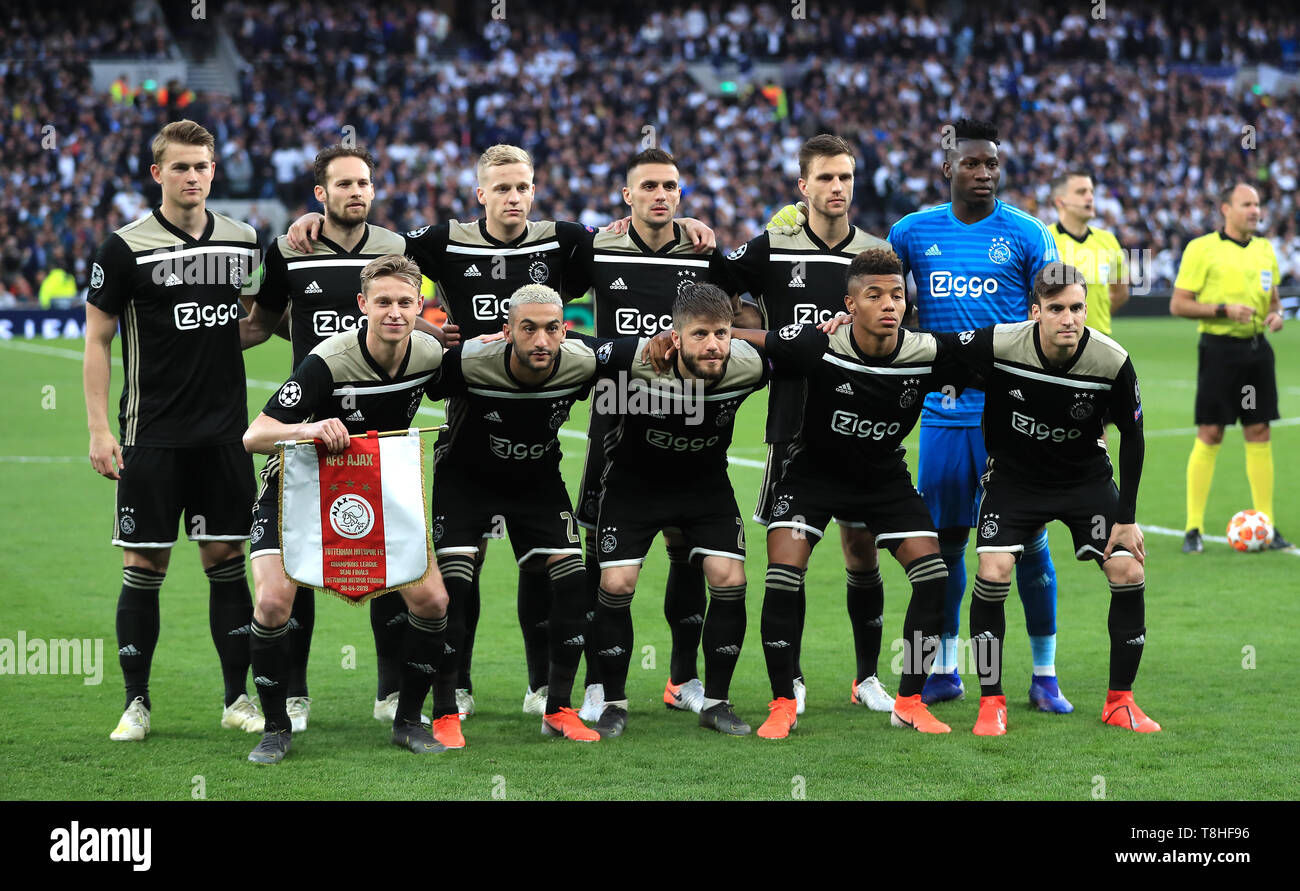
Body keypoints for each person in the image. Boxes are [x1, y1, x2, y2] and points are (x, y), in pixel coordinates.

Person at [289, 145, 714, 721]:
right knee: (462, 570)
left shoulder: (564, 240)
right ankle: (455, 686)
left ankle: (543, 685)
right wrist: (322, 223)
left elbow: (635, 241)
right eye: (502, 189)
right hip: (470, 411)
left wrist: (677, 220)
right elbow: (380, 261)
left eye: (523, 187)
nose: (514, 198)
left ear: (534, 190)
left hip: (541, 413)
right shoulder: (442, 241)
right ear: (481, 194)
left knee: (542, 565)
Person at [242, 144, 453, 733]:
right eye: (344, 184)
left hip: (377, 460)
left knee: (405, 587)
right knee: (288, 590)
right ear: (321, 193)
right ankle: (288, 704)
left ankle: (397, 700)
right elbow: (261, 323)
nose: (356, 191)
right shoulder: (290, 249)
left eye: (364, 182)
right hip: (308, 442)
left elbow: (466, 265)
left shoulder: (400, 250)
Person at [728, 248, 961, 739]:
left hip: (882, 479)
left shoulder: (926, 352)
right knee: (783, 576)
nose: (889, 304)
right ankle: (783, 701)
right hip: (812, 474)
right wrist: (697, 334)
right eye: (874, 295)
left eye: (896, 294)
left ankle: (910, 700)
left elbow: (995, 358)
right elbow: (757, 337)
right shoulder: (819, 344)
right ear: (850, 305)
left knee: (933, 575)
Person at [84, 120, 263, 741]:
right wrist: (99, 429)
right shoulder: (123, 247)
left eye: (202, 166)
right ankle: (136, 703)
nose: (193, 176)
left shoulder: (244, 240)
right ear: (158, 174)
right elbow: (98, 339)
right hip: (151, 434)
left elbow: (256, 319)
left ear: (214, 171)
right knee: (145, 565)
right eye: (180, 167)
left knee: (225, 558)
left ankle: (237, 699)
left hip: (224, 436)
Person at [886, 118, 1070, 713]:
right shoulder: (911, 233)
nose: (985, 172)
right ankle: (945, 667)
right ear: (948, 168)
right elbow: (884, 302)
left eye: (992, 163)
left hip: (1010, 418)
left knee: (1027, 544)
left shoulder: (1027, 233)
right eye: (972, 163)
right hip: (941, 417)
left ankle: (1044, 675)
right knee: (947, 545)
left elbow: (1057, 311)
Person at [938, 262, 1158, 734]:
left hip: (1084, 481)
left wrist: (1126, 517)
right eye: (1056, 308)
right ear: (1035, 311)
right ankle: (991, 702)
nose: (1069, 318)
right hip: (1014, 481)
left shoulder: (1111, 360)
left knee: (1128, 568)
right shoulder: (1000, 343)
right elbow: (935, 352)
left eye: (1077, 307)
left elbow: (1134, 437)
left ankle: (1120, 701)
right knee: (993, 569)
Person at [725, 133, 896, 715]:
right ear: (804, 187)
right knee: (788, 558)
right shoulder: (773, 246)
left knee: (861, 551)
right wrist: (755, 322)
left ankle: (867, 677)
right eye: (825, 177)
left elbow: (899, 322)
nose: (837, 187)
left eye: (845, 176)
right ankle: (790, 679)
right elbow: (714, 286)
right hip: (795, 426)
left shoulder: (876, 252)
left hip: (863, 427)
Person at [564, 147, 734, 720]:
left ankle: (682, 679)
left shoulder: (705, 253)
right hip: (617, 423)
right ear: (626, 195)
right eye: (649, 187)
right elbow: (534, 282)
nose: (661, 196)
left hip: (692, 422)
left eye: (671, 187)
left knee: (688, 554)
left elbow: (751, 307)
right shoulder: (597, 248)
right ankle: (596, 684)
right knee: (603, 560)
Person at [572, 283, 768, 738]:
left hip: (704, 488)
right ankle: (613, 702)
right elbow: (574, 345)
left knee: (729, 577)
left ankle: (716, 702)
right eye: (699, 334)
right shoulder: (633, 361)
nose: (713, 345)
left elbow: (799, 347)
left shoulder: (748, 365)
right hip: (633, 487)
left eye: (721, 333)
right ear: (674, 337)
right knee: (616, 581)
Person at [424, 284, 603, 743]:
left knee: (572, 580)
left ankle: (558, 708)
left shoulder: (584, 361)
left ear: (566, 332)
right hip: (465, 480)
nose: (540, 341)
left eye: (551, 329)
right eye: (528, 329)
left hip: (536, 479)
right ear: (507, 333)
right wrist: (433, 331)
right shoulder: (467, 362)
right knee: (455, 587)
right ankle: (445, 709)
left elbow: (646, 352)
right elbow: (414, 374)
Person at [1170, 183, 1291, 552]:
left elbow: (1274, 303)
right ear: (1226, 208)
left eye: (1258, 204)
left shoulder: (1265, 249)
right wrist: (1224, 310)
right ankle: (1193, 528)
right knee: (1211, 431)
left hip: (1257, 353)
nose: (1256, 210)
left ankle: (1266, 526)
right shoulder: (1201, 248)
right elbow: (1179, 304)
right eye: (1247, 204)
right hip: (1220, 351)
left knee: (1258, 430)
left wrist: (1277, 316)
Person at [1049, 171, 1129, 336]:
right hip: (1055, 345)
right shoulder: (1044, 240)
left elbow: (1120, 292)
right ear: (1060, 201)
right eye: (1081, 192)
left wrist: (1096, 319)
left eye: (1091, 191)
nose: (1090, 197)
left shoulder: (1108, 240)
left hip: (1099, 341)